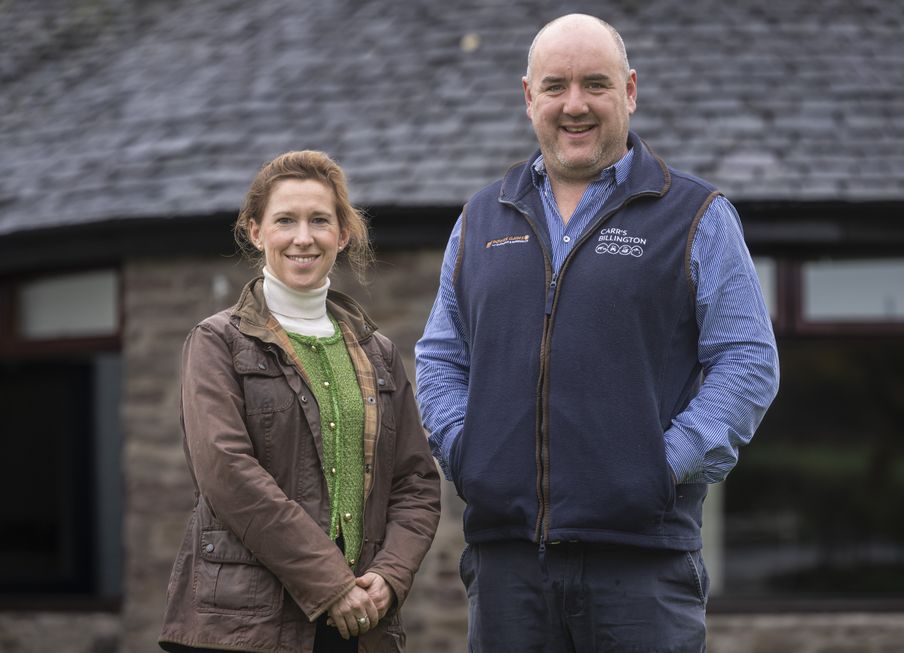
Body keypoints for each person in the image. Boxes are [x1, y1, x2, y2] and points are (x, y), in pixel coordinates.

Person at [415, 13, 779, 653]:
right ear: (528, 96)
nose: (574, 105)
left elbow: (747, 362)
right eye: (555, 86)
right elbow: (441, 358)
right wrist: (468, 454)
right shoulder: (478, 219)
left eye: (595, 84)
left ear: (630, 91)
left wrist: (658, 470)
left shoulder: (695, 215)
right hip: (507, 568)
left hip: (641, 566)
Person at [159, 150, 441, 653]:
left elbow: (416, 483)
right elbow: (228, 474)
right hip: (244, 628)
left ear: (344, 234)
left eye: (320, 221)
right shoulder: (217, 341)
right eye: (285, 220)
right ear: (255, 232)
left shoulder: (378, 354)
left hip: (360, 624)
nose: (303, 237)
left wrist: (390, 577)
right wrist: (330, 582)